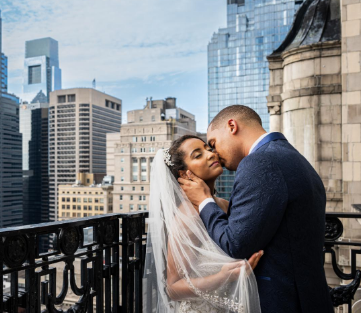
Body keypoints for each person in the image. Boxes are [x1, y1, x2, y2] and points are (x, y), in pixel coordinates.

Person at [178, 105, 334, 313]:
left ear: (232, 126)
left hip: (284, 301)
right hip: (308, 297)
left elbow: (236, 244)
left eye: (213, 144)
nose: (214, 153)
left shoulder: (259, 162)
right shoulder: (293, 157)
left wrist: (205, 200)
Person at [143, 135, 262, 313]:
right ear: (184, 174)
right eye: (198, 155)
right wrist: (224, 276)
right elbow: (173, 288)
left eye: (208, 148)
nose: (211, 154)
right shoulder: (188, 215)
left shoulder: (225, 205)